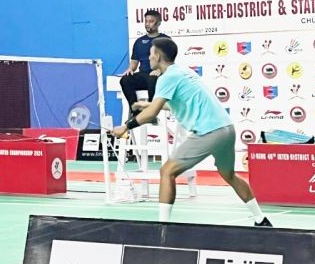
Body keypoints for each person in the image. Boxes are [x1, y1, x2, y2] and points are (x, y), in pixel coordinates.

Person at [113, 38, 271, 226]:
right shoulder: (183, 72)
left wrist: (126, 126)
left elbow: (152, 113)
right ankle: (260, 219)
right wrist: (146, 104)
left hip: (208, 132)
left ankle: (163, 227)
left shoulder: (166, 78)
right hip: (227, 130)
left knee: (167, 172)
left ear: (158, 55)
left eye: (150, 53)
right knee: (229, 175)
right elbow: (177, 104)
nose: (149, 57)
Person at [119, 9, 170, 110]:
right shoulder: (139, 41)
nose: (147, 24)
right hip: (143, 75)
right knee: (125, 80)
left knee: (152, 79)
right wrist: (130, 70)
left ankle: (151, 111)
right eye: (146, 21)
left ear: (159, 23)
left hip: (159, 76)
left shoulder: (165, 40)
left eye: (151, 21)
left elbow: (169, 63)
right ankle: (135, 111)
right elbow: (134, 64)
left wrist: (160, 70)